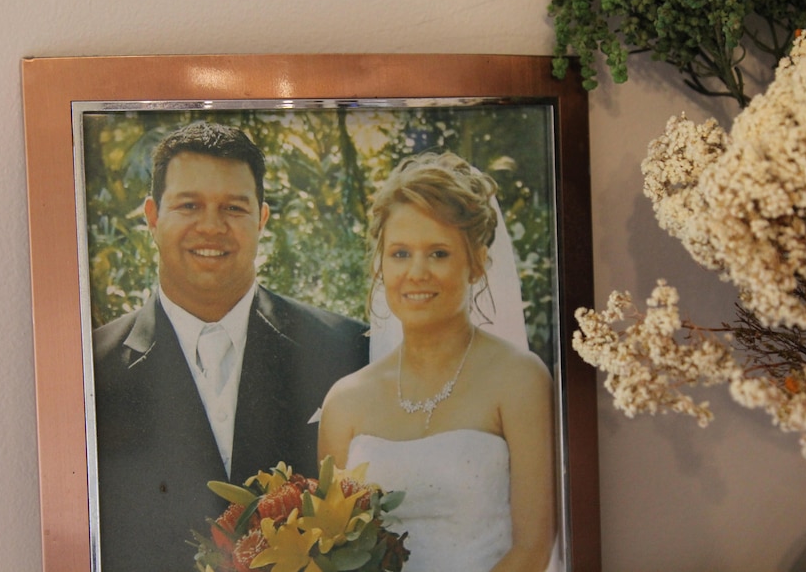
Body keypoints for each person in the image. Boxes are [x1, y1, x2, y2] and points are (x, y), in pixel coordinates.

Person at [92, 121, 369, 572]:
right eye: (189, 205)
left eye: (233, 208)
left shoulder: (345, 350)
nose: (211, 226)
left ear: (261, 218)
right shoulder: (92, 368)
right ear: (152, 216)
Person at [318, 152, 558, 572]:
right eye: (400, 253)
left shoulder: (519, 380)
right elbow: (331, 551)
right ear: (381, 264)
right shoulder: (345, 402)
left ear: (477, 263)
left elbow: (534, 547)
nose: (417, 272)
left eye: (439, 253)